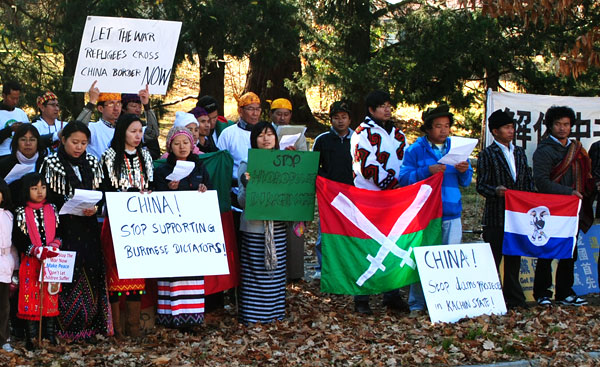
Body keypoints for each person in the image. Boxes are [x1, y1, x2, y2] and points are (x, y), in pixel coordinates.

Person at [399, 103, 473, 316]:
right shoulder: (414, 150)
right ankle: (417, 304)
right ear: (428, 128)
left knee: (450, 259)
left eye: (447, 125)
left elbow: (467, 182)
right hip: (426, 214)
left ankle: (446, 302)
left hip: (451, 211)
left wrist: (463, 170)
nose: (443, 130)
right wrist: (426, 171)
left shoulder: (457, 148)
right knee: (422, 258)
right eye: (438, 126)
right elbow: (404, 179)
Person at [40, 121, 110, 341]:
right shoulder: (51, 163)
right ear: (63, 140)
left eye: (84, 143)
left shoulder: (92, 161)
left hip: (89, 227)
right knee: (67, 272)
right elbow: (45, 196)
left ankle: (88, 325)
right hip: (64, 228)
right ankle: (62, 327)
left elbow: (104, 191)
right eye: (74, 142)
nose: (79, 147)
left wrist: (96, 207)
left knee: (89, 267)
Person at [350, 90, 409, 315]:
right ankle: (361, 297)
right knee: (366, 244)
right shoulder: (362, 132)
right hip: (369, 197)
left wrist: (400, 184)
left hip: (394, 197)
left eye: (389, 105)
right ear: (371, 109)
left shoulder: (398, 134)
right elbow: (365, 165)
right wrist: (389, 183)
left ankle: (391, 293)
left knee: (393, 243)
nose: (387, 109)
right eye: (381, 106)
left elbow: (403, 162)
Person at [532, 106, 593, 307]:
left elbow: (586, 176)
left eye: (566, 124)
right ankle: (542, 293)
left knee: (570, 250)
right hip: (551, 208)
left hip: (572, 208)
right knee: (547, 250)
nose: (562, 128)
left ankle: (565, 292)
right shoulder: (544, 150)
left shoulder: (576, 149)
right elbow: (541, 181)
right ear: (550, 126)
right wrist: (568, 192)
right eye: (558, 124)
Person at [100, 113, 154, 337]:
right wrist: (127, 193)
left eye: (140, 131)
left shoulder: (146, 155)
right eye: (133, 131)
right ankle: (117, 328)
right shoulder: (110, 156)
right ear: (122, 131)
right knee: (115, 271)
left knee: (136, 271)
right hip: (116, 221)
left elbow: (152, 183)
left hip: (139, 223)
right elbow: (104, 189)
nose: (138, 136)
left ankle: (133, 326)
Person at [476, 110, 533, 310]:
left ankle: (514, 297)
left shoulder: (519, 152)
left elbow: (527, 180)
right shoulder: (487, 154)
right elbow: (481, 185)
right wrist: (496, 191)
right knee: (494, 257)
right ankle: (489, 297)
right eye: (507, 128)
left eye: (512, 127)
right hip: (496, 214)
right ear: (495, 131)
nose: (511, 131)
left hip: (517, 216)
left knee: (514, 257)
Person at [154, 126, 210, 329]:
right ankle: (169, 316)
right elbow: (156, 202)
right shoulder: (162, 170)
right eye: (177, 143)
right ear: (170, 147)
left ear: (192, 145)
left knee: (192, 273)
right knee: (172, 274)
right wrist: (168, 190)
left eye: (186, 142)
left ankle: (193, 316)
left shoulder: (200, 167)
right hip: (171, 233)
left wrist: (203, 189)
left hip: (194, 232)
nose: (182, 147)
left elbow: (210, 192)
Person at [237, 121, 287, 324]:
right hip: (254, 227)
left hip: (278, 226)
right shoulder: (246, 163)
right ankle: (252, 315)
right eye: (260, 135)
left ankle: (274, 313)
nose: (266, 139)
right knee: (254, 271)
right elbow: (241, 202)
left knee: (275, 272)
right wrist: (248, 186)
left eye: (269, 134)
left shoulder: (285, 162)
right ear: (253, 139)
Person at [13, 173, 61, 349]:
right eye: (34, 188)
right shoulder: (20, 212)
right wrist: (34, 249)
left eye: (43, 187)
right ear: (27, 191)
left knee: (50, 295)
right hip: (31, 261)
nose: (40, 192)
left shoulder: (52, 209)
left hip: (51, 260)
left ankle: (49, 335)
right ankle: (32, 337)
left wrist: (55, 245)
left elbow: (60, 231)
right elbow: (18, 237)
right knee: (30, 297)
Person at [312, 101, 354, 279]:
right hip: (329, 194)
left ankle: (348, 267)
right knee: (326, 232)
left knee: (350, 231)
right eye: (336, 118)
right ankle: (322, 269)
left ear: (350, 119)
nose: (340, 121)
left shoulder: (358, 139)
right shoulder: (322, 139)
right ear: (331, 120)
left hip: (353, 193)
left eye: (344, 117)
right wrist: (325, 182)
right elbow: (313, 165)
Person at [217, 92, 261, 190]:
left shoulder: (265, 133)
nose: (255, 113)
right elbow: (220, 164)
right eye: (250, 109)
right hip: (235, 189)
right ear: (240, 111)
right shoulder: (228, 134)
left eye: (258, 109)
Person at [0, 124, 47, 200]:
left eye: (32, 140)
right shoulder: (3, 165)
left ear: (38, 142)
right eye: (23, 139)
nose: (28, 143)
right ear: (16, 142)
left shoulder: (46, 164)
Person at [0, 179, 17, 352]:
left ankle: (4, 338)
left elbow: (12, 244)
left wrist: (14, 265)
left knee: (4, 305)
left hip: (4, 264)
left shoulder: (9, 215)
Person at [121, 88, 161, 159]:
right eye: (133, 106)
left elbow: (153, 133)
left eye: (140, 107)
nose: (138, 109)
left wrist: (147, 106)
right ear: (123, 108)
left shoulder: (143, 127)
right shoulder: (115, 126)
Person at [0, 81, 29, 156]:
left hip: (20, 155)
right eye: (12, 98)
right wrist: (10, 129)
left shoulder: (21, 113)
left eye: (17, 98)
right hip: (3, 155)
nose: (15, 102)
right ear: (3, 96)